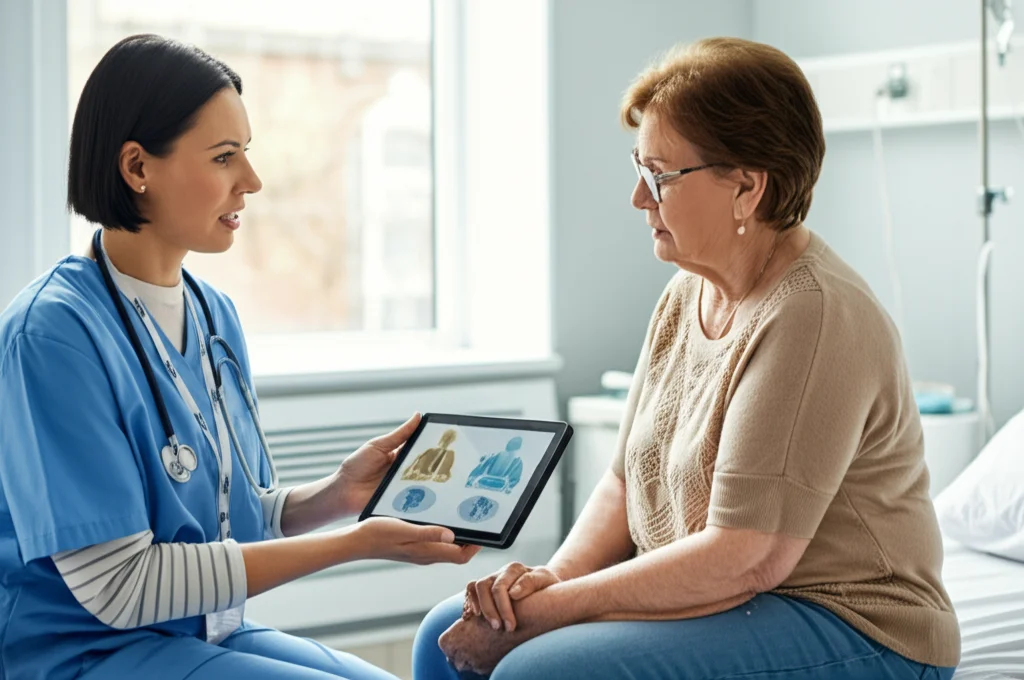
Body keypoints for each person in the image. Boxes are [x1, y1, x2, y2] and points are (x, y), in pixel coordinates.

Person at [413, 37, 959, 679]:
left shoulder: (812, 314)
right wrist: (551, 580)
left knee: (536, 672)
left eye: (659, 176)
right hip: (731, 597)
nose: (638, 198)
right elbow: (623, 481)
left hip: (853, 622)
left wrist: (554, 611)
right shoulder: (685, 293)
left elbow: (747, 555)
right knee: (440, 640)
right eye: (638, 168)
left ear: (747, 187)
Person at [0, 34, 479, 680]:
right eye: (225, 157)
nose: (251, 182)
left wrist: (336, 496)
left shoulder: (214, 316)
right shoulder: (52, 335)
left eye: (246, 154)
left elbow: (231, 519)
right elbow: (120, 586)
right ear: (137, 167)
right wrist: (355, 544)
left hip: (206, 631)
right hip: (83, 654)